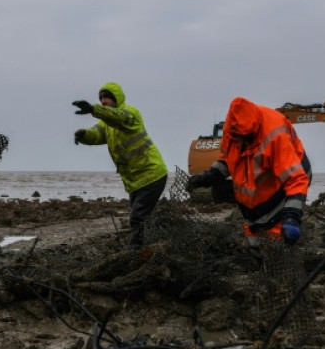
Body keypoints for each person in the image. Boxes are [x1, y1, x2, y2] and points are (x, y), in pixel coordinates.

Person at [186, 97, 312, 247]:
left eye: (247, 138)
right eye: (239, 138)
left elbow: (296, 179)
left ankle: (278, 246)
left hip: (287, 180)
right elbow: (228, 159)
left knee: (276, 237)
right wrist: (208, 177)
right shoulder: (231, 131)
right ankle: (259, 251)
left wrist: (292, 217)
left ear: (255, 129)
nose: (243, 142)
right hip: (256, 194)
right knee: (255, 232)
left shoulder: (275, 136)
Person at [72, 82, 168, 247]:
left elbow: (118, 117)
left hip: (152, 174)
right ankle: (155, 243)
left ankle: (136, 250)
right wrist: (84, 135)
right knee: (143, 217)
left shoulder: (131, 113)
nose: (103, 100)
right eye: (101, 98)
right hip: (135, 181)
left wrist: (94, 109)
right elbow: (96, 134)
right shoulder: (106, 124)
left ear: (117, 98)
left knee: (137, 217)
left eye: (107, 97)